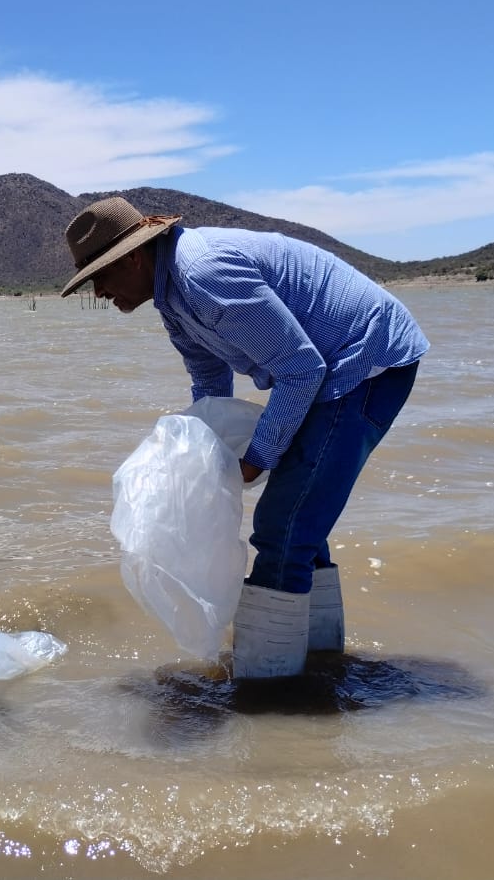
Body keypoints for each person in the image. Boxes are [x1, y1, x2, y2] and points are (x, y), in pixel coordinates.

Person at [60, 197, 428, 680]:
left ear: (133, 257)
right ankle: (318, 666)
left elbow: (302, 368)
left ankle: (267, 693)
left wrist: (253, 460)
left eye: (101, 275)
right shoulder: (173, 299)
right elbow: (210, 387)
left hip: (364, 362)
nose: (100, 291)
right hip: (322, 370)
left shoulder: (203, 275)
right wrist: (205, 462)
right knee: (300, 522)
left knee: (282, 527)